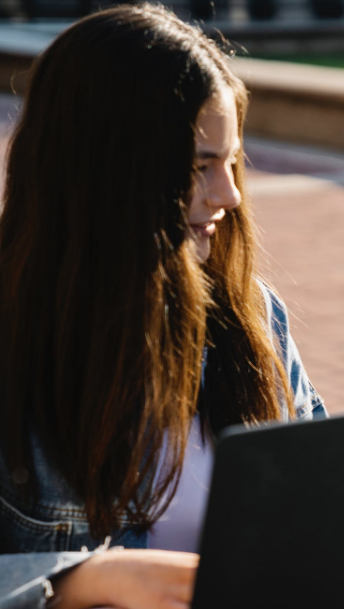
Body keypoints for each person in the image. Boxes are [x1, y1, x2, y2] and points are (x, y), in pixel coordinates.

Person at [0, 4, 326, 607]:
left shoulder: (255, 316)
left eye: (230, 163)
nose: (228, 193)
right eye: (201, 166)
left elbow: (331, 499)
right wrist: (79, 581)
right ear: (106, 170)